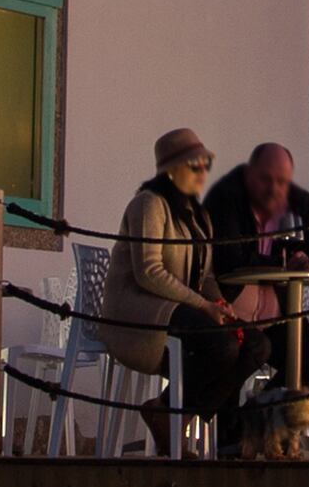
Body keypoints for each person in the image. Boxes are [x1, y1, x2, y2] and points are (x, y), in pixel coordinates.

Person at [90, 128, 243, 453]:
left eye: (205, 165)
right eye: (194, 166)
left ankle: (177, 419)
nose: (202, 173)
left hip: (180, 308)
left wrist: (220, 304)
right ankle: (170, 414)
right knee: (223, 346)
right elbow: (149, 272)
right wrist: (204, 306)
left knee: (253, 345)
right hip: (143, 309)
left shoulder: (199, 216)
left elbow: (206, 275)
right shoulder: (149, 205)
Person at [207, 141, 309, 449]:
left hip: (273, 309)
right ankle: (230, 436)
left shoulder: (295, 202)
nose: (274, 187)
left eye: (282, 181)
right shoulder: (226, 200)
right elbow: (230, 259)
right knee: (236, 353)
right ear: (250, 173)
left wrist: (304, 257)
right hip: (231, 306)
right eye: (266, 179)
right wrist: (279, 261)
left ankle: (253, 418)